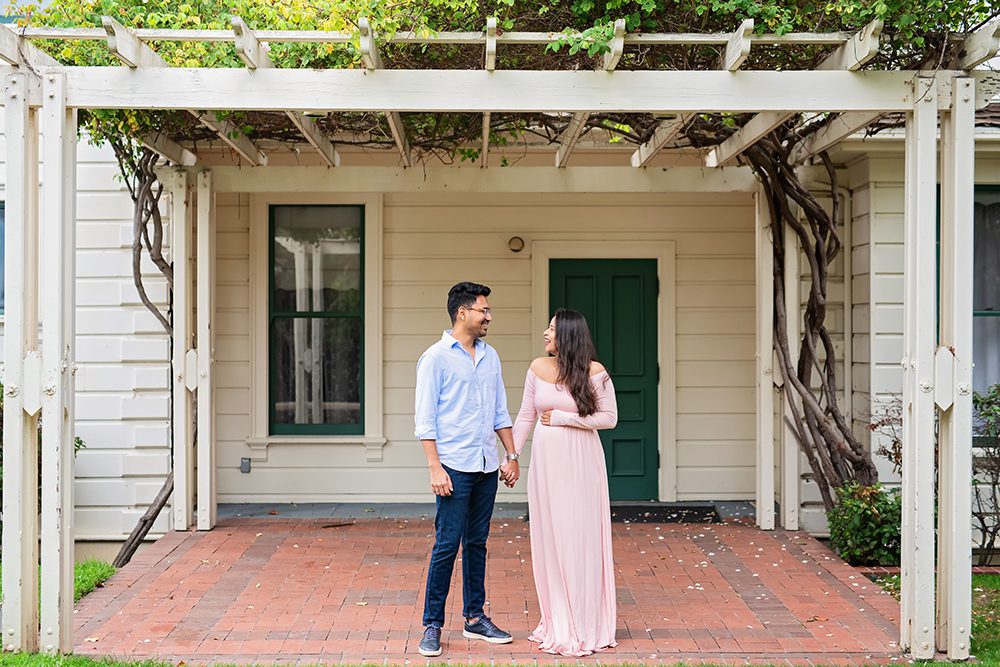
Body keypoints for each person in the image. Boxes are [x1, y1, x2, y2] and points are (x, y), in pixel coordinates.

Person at [414, 281, 521, 657]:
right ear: (463, 313)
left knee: (477, 544)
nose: (489, 315)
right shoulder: (435, 358)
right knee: (446, 545)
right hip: (453, 468)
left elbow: (499, 412)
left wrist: (511, 455)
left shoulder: (491, 357)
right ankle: (432, 625)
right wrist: (435, 468)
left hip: (486, 465)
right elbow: (425, 421)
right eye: (483, 310)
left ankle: (475, 618)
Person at [512, 308, 618, 656]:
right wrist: (511, 455)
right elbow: (526, 415)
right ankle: (557, 617)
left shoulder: (595, 372)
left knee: (578, 536)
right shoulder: (536, 368)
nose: (545, 333)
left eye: (552, 329)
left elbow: (609, 418)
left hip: (582, 464)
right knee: (551, 538)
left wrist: (563, 418)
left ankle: (584, 621)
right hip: (546, 466)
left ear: (568, 336)